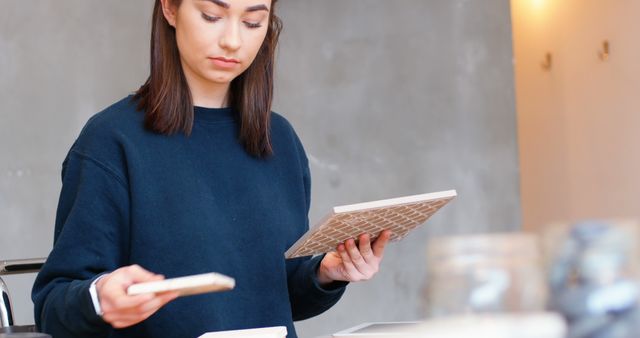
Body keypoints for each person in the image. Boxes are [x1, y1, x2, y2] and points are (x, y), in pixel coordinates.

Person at [31, 0, 392, 337]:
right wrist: (99, 298)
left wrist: (327, 273)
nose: (233, 41)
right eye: (211, 16)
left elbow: (276, 295)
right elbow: (53, 305)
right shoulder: (111, 141)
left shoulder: (278, 139)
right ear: (170, 9)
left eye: (253, 22)